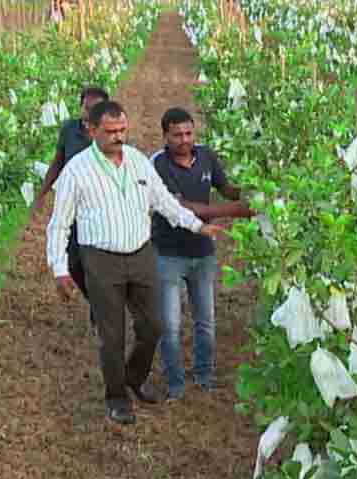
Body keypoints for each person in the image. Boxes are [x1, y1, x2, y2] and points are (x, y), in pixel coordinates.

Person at [45, 100, 214, 426]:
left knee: (154, 327)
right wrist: (60, 269)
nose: (118, 137)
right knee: (112, 334)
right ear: (92, 131)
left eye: (122, 129)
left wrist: (196, 225)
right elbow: (59, 224)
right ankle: (117, 398)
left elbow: (164, 201)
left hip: (140, 254)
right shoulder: (77, 171)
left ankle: (133, 376)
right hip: (100, 259)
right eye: (110, 132)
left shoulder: (138, 162)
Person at [150, 107, 252, 400]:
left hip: (202, 253)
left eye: (189, 133)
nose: (184, 140)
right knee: (169, 325)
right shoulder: (157, 165)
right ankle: (175, 384)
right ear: (165, 136)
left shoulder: (206, 156)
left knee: (205, 320)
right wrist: (235, 211)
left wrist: (255, 192)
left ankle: (204, 376)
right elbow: (184, 207)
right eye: (177, 135)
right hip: (168, 254)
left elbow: (227, 188)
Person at [33, 86, 110, 326]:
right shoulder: (69, 130)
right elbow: (58, 162)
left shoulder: (110, 134)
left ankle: (102, 308)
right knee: (74, 262)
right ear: (81, 107)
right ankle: (97, 301)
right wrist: (42, 193)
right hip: (72, 207)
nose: (90, 113)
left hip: (100, 210)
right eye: (87, 108)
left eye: (96, 109)